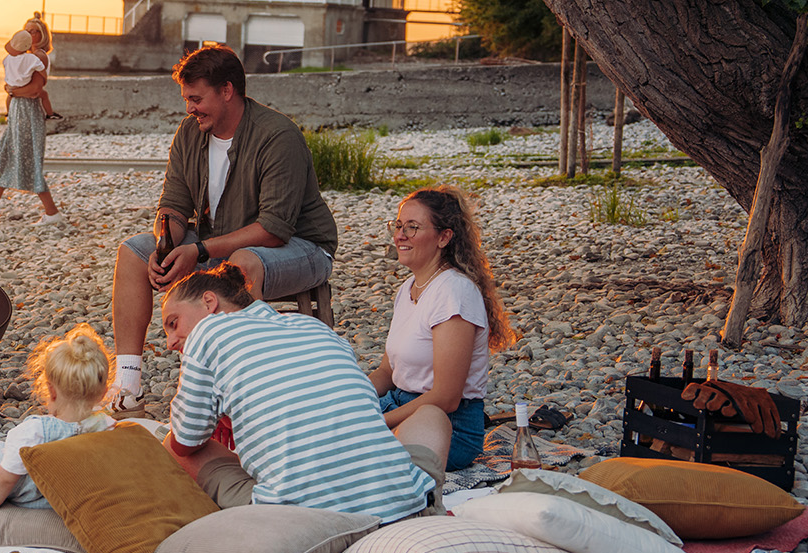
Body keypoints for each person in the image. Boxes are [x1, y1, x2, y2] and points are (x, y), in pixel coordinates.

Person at [108, 44, 338, 416]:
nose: (189, 109)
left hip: (302, 246)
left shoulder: (277, 136)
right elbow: (174, 205)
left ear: (227, 91)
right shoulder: (189, 133)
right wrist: (166, 246)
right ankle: (127, 386)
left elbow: (274, 230)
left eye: (196, 99)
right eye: (187, 99)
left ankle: (248, 396)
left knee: (243, 264)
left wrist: (199, 252)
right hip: (221, 239)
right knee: (132, 251)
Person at [157, 265, 441, 523]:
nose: (170, 342)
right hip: (401, 501)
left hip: (299, 516)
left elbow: (185, 442)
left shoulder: (207, 333)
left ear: (209, 302)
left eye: (173, 322)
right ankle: (417, 498)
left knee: (171, 444)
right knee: (431, 416)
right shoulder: (313, 326)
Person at [368, 186, 518, 471]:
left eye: (413, 227)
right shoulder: (408, 287)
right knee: (321, 427)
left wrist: (375, 425)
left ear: (444, 237)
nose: (400, 235)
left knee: (350, 454)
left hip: (448, 426)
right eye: (398, 226)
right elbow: (388, 372)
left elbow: (446, 397)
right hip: (398, 405)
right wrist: (351, 398)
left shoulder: (454, 293)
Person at [0, 324, 117, 510]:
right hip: (78, 499)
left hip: (36, 502)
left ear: (51, 391)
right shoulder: (108, 426)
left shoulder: (34, 433)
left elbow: (6, 479)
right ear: (103, 393)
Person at [0, 30, 62, 227]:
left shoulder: (39, 57)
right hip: (18, 110)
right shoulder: (22, 58)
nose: (31, 33)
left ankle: (52, 213)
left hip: (28, 113)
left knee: (29, 161)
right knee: (5, 156)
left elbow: (36, 90)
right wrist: (11, 92)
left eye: (35, 30)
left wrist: (12, 90)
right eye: (28, 30)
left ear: (42, 36)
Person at [0, 30, 62, 120]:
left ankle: (9, 113)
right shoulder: (31, 58)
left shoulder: (7, 58)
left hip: (12, 84)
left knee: (9, 96)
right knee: (44, 95)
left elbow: (6, 67)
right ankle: (50, 113)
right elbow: (41, 68)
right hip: (24, 84)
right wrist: (44, 78)